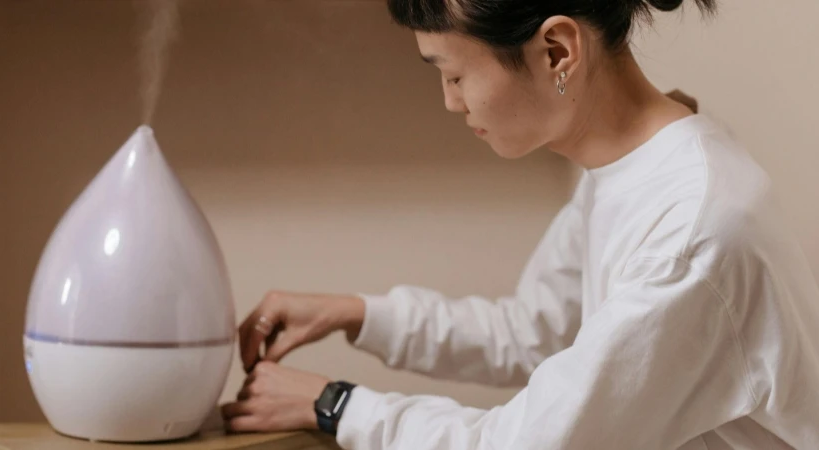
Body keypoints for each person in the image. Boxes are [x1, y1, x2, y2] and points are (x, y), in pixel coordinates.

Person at [220, 0, 819, 448]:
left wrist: (336, 405)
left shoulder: (691, 230)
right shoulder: (629, 170)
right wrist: (354, 312)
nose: (451, 102)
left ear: (557, 50)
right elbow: (533, 332)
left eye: (454, 74)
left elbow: (527, 444)